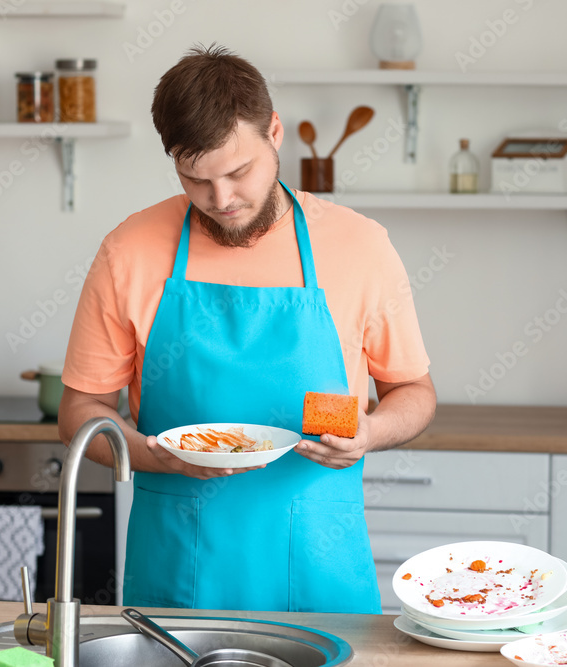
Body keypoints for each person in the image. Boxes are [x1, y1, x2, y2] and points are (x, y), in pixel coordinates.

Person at [59, 44, 436, 614]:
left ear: (275, 133)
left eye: (239, 172)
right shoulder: (129, 251)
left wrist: (371, 434)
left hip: (320, 568)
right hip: (179, 571)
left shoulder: (361, 247)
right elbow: (79, 411)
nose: (222, 200)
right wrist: (152, 454)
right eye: (196, 180)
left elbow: (414, 393)